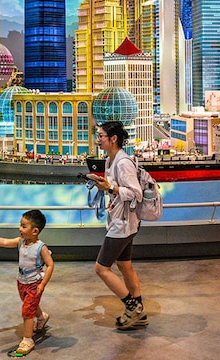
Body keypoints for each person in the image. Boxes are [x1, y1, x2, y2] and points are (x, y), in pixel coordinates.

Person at [88, 120, 148, 330]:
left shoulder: (123, 163)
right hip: (124, 221)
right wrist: (105, 186)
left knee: (101, 268)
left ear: (113, 139)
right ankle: (140, 313)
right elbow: (116, 189)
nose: (98, 139)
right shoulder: (109, 161)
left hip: (122, 225)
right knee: (124, 265)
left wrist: (110, 188)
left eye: (101, 136)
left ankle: (132, 307)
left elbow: (136, 193)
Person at [0, 210, 54, 356]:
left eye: (24, 226)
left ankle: (27, 339)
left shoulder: (40, 247)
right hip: (21, 281)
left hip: (34, 284)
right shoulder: (21, 242)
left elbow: (50, 265)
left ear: (35, 231)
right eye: (20, 225)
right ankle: (42, 317)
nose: (20, 229)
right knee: (29, 304)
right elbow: (4, 242)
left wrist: (42, 284)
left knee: (27, 311)